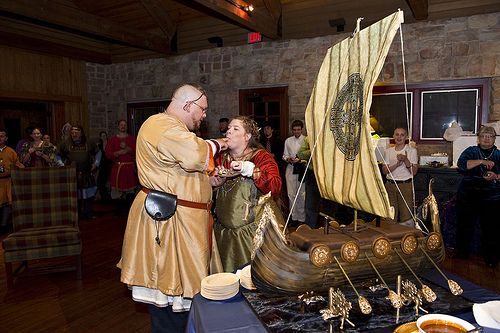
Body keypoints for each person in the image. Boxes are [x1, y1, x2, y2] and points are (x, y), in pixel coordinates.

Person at [118, 83, 228, 333]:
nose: (204, 115)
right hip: (168, 224)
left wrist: (208, 181)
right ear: (188, 105)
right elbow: (192, 154)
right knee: (168, 296)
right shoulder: (160, 125)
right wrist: (222, 142)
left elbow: (175, 171)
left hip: (184, 222)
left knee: (182, 299)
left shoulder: (173, 129)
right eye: (203, 109)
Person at [210, 116, 282, 272]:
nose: (229, 131)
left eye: (235, 129)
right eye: (228, 128)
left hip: (251, 234)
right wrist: (213, 184)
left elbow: (275, 187)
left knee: (251, 275)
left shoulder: (261, 157)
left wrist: (252, 170)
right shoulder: (221, 158)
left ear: (247, 137)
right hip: (222, 231)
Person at [456, 126, 499, 267]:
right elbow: (462, 165)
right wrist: (481, 161)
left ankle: (491, 259)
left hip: (491, 197)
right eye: (483, 136)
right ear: (478, 138)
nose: (486, 138)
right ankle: (462, 254)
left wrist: (496, 176)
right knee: (465, 226)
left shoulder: (498, 155)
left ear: (494, 139)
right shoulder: (471, 151)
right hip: (468, 194)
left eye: (490, 136)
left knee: (491, 229)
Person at [57, 125, 99, 219]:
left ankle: (88, 212)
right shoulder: (66, 143)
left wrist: (96, 163)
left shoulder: (88, 142)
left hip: (86, 172)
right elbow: (57, 155)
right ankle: (76, 214)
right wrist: (61, 165)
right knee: (74, 194)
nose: (74, 134)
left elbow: (98, 152)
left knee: (88, 193)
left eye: (76, 132)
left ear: (81, 133)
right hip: (72, 174)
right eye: (72, 132)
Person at [381, 127, 418, 226]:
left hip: (405, 186)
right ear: (393, 136)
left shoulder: (411, 151)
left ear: (406, 137)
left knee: (406, 218)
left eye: (402, 135)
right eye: (397, 134)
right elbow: (384, 171)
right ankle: (390, 240)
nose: (399, 137)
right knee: (390, 216)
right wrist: (397, 164)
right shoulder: (388, 151)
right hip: (390, 186)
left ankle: (406, 240)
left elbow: (413, 172)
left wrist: (406, 160)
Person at [105, 120, 138, 202]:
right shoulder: (112, 140)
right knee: (117, 193)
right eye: (121, 125)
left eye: (124, 125)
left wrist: (127, 149)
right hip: (118, 169)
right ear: (118, 126)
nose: (123, 126)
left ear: (127, 127)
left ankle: (129, 211)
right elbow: (108, 154)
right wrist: (118, 153)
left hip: (130, 169)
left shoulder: (132, 139)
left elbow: (137, 152)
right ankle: (119, 211)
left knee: (130, 194)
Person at [0, 129, 24, 234]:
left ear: (6, 138)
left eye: (1, 136)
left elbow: (18, 164)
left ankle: (3, 225)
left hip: (7, 181)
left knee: (6, 205)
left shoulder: (11, 151)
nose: (0, 138)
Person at [282, 120, 306, 224]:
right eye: (294, 130)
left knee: (301, 194)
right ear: (292, 130)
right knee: (291, 194)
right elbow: (284, 155)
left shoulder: (306, 140)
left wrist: (300, 160)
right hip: (290, 169)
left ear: (302, 129)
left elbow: (309, 156)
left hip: (301, 169)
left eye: (298, 130)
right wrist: (288, 159)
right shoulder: (288, 141)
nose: (296, 132)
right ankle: (293, 217)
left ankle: (302, 218)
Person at [296, 136, 321, 228]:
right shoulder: (310, 137)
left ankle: (327, 229)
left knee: (329, 204)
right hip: (312, 174)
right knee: (311, 203)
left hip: (330, 174)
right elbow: (300, 154)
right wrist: (316, 150)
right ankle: (310, 229)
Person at [97, 131, 112, 202]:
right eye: (102, 136)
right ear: (100, 137)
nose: (103, 137)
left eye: (104, 135)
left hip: (109, 164)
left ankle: (109, 197)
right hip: (102, 165)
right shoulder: (99, 145)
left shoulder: (110, 144)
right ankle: (104, 197)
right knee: (100, 182)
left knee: (109, 182)